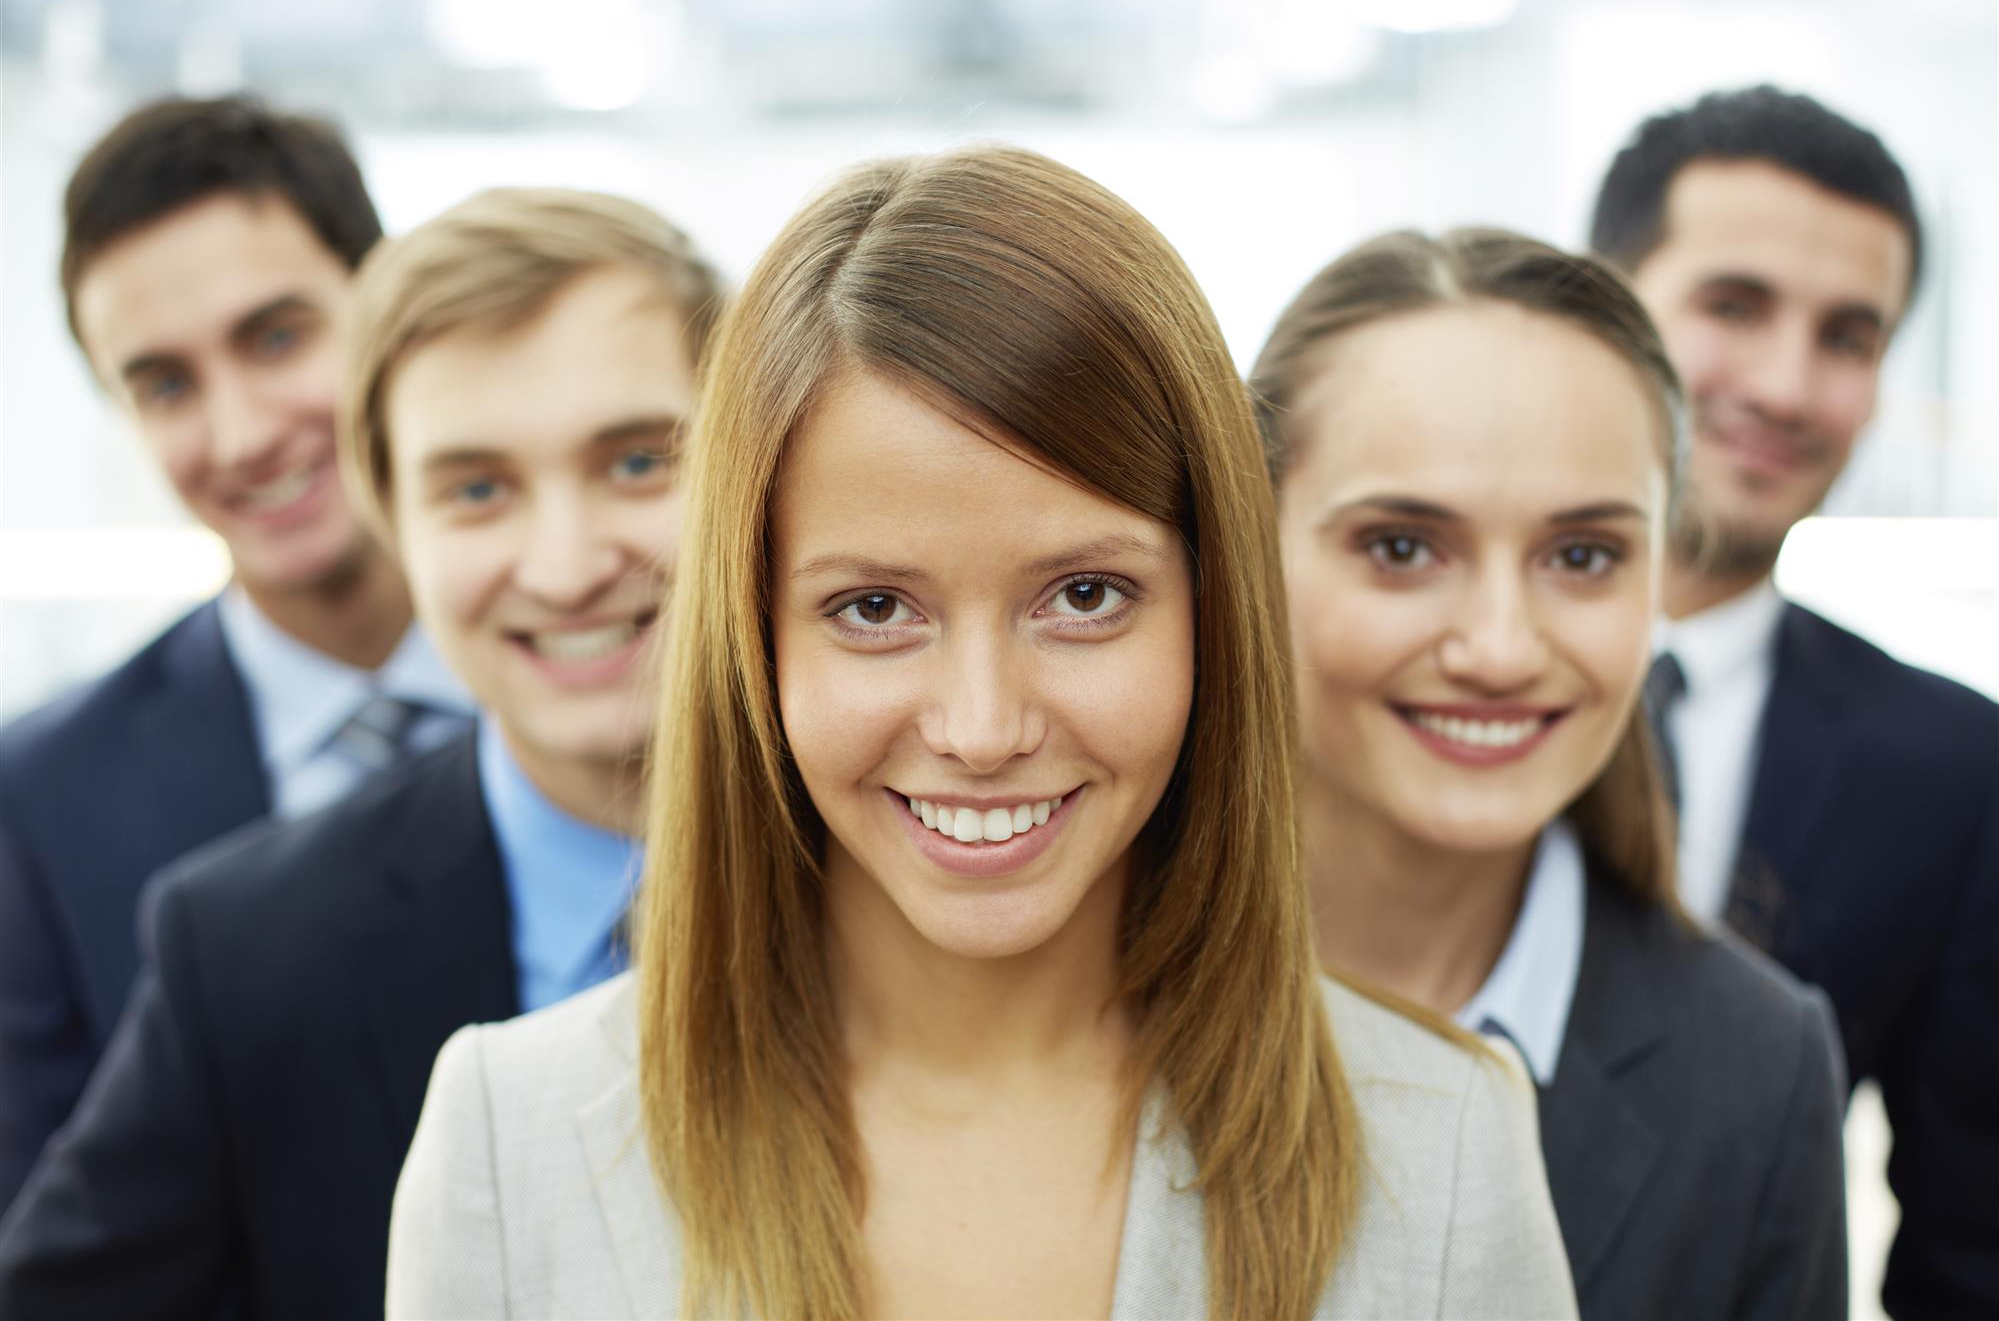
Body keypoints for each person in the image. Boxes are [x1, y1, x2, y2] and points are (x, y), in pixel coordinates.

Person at [384, 148, 1578, 1320]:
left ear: (1217, 611)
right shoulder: (511, 1141)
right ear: (752, 638)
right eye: (873, 609)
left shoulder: (1447, 1147)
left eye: (1084, 596)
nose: (983, 727)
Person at [0, 188, 725, 1320]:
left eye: (637, 463)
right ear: (393, 516)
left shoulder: (929, 859)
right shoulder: (247, 951)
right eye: (476, 489)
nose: (568, 562)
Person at [1249, 227, 1848, 1319]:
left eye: (1582, 557)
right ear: (1248, 543)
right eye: (1400, 546)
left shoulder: (1754, 1073)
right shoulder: (1051, 981)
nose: (1500, 648)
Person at [0, 95, 474, 1212]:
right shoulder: (39, 803)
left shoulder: (622, 692)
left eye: (277, 336)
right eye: (165, 383)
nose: (242, 433)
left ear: (387, 305)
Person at [1592, 85, 1999, 1316]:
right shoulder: (1363, 680)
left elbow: (1969, 1252)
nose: (1783, 385)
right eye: (1733, 305)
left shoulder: (1949, 769)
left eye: (1847, 336)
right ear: (1604, 309)